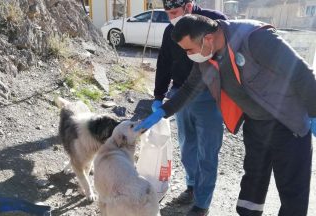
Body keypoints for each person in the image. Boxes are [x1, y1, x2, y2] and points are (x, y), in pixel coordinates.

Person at [135, 15, 316, 216]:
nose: (188, 55)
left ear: (208, 39)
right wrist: (163, 112)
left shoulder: (255, 39)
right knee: (253, 184)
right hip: (256, 124)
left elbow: (302, 74)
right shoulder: (205, 58)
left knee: (292, 190)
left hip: (288, 123)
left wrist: (315, 114)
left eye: (189, 50)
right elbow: (188, 90)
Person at [153, 1, 226, 215]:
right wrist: (158, 96)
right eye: (167, 14)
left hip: (210, 96)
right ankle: (192, 186)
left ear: (188, 6)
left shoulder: (213, 21)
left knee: (208, 151)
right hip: (180, 94)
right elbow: (164, 63)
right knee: (187, 146)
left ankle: (202, 203)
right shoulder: (171, 31)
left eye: (174, 12)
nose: (171, 18)